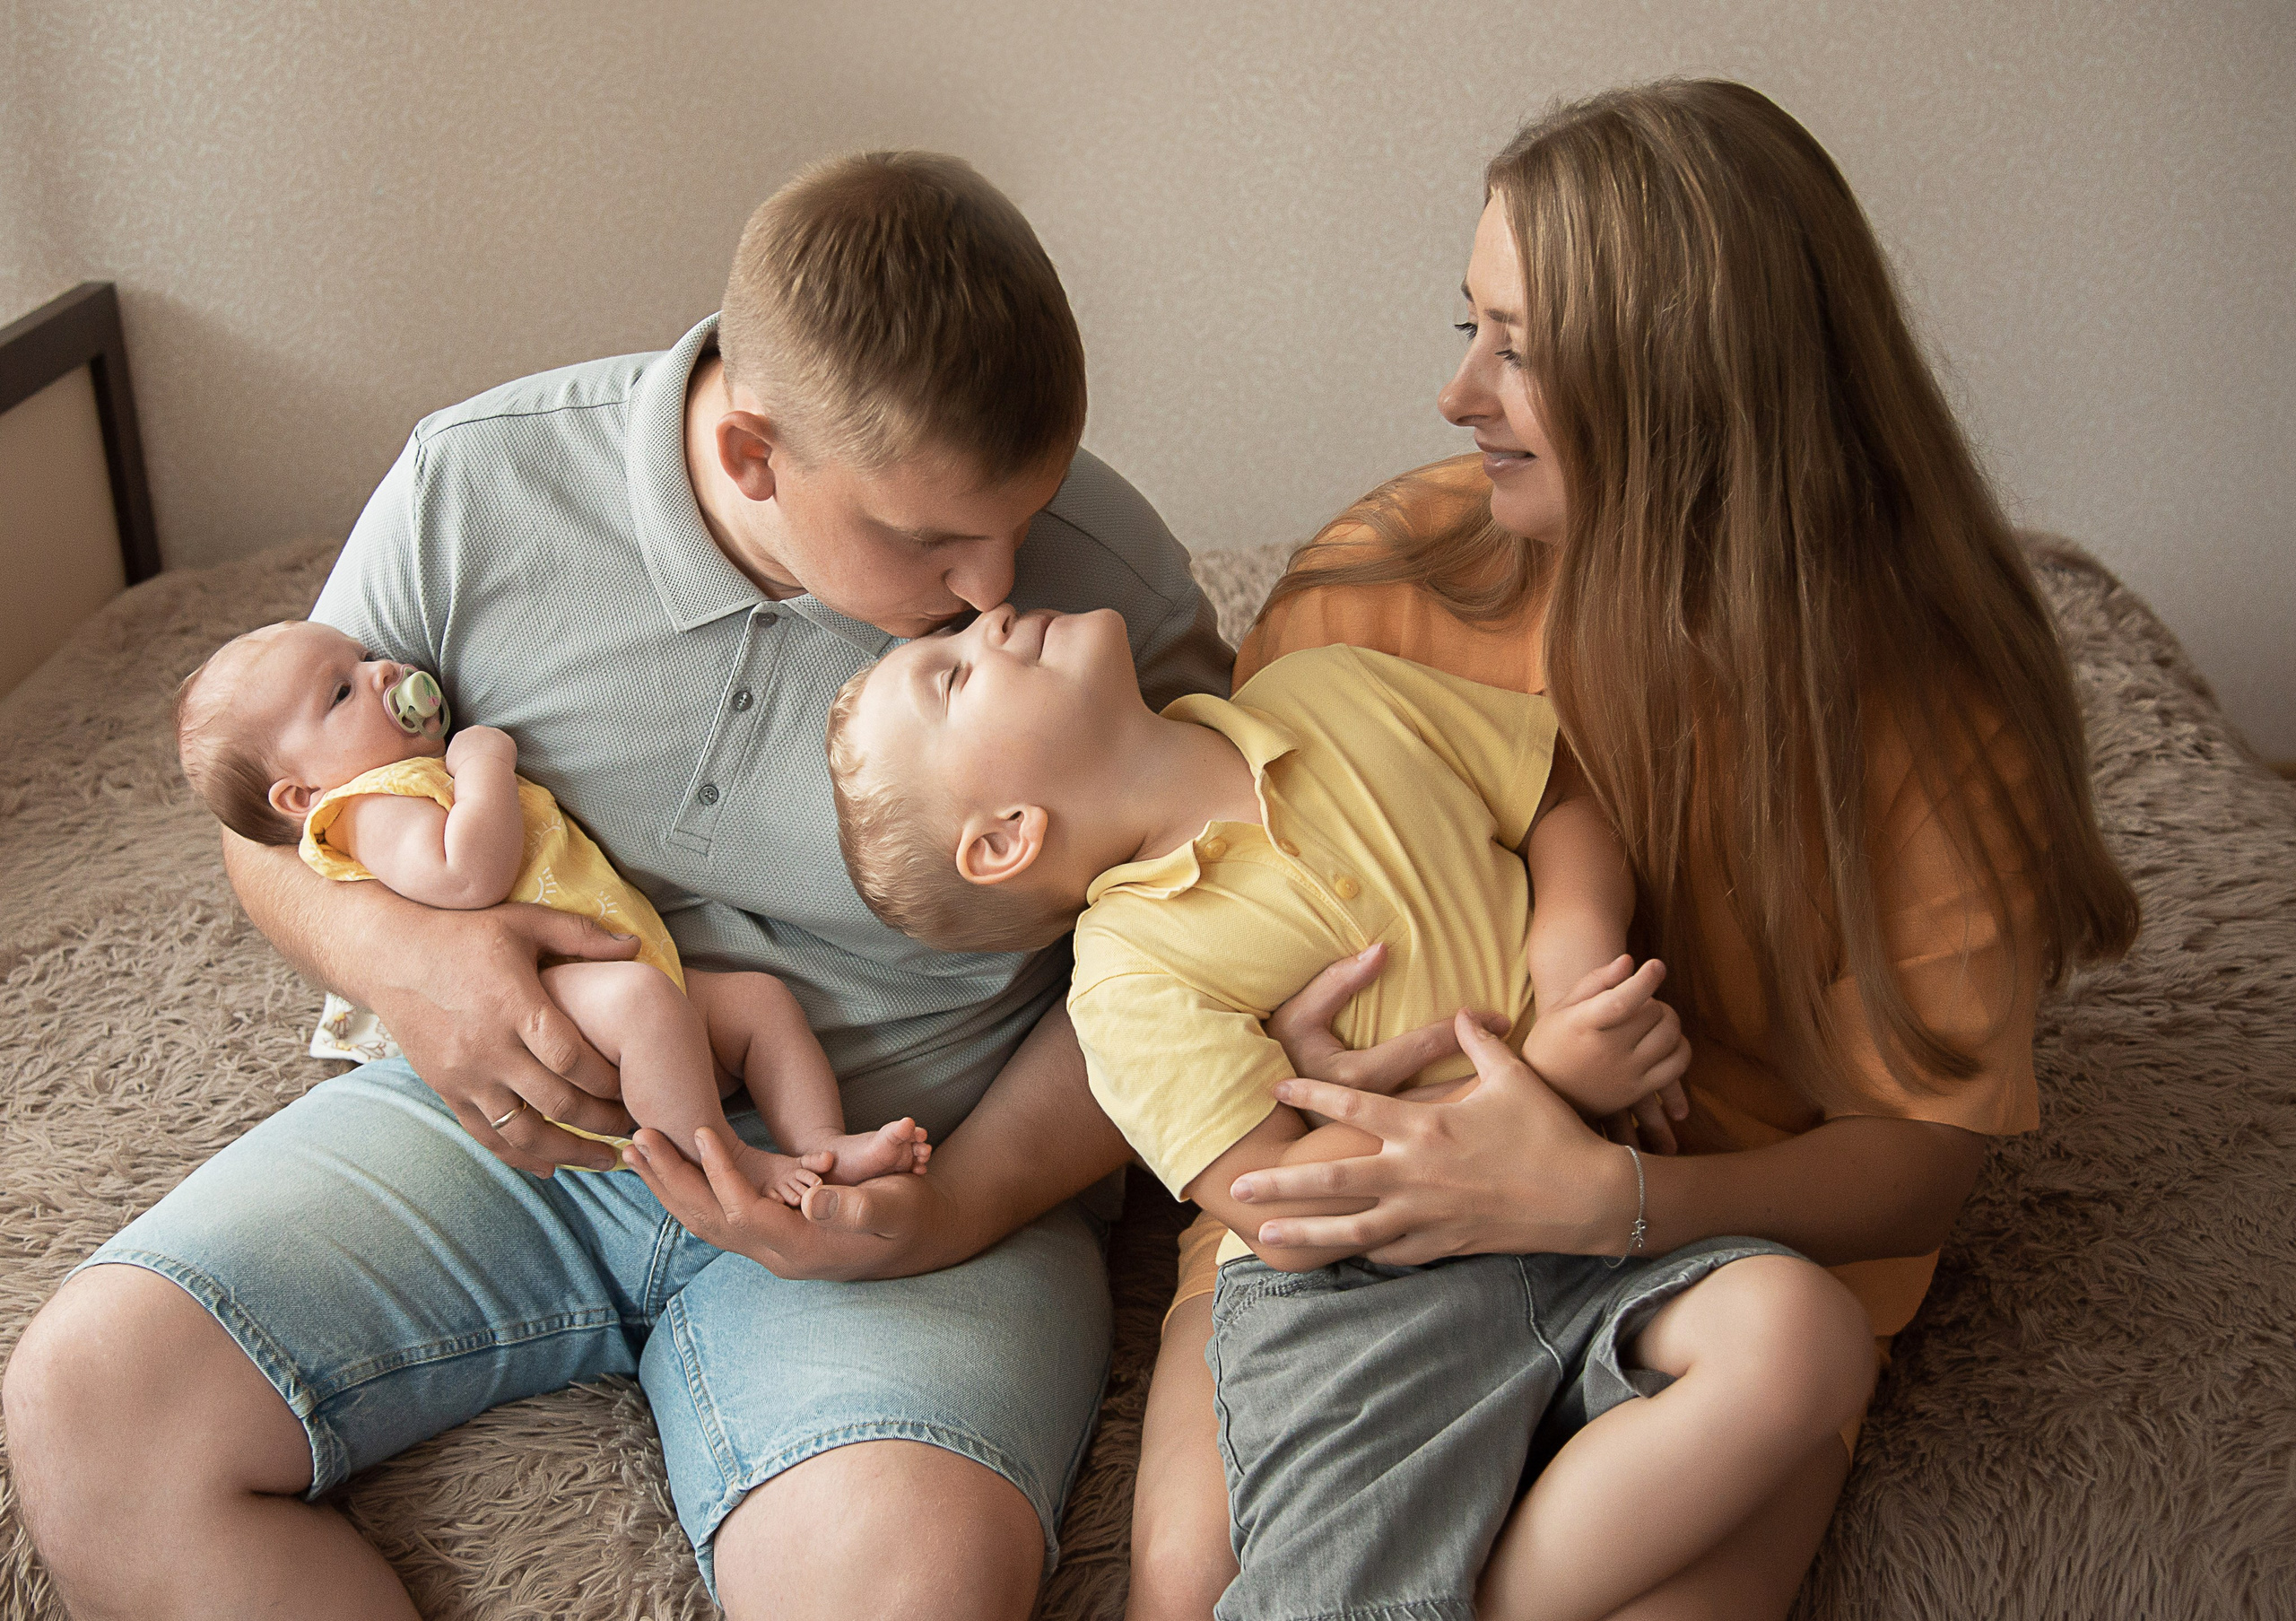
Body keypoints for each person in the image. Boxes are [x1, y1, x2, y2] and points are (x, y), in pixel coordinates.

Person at [4, 152, 1233, 1620]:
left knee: (908, 1587)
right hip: (500, 1124)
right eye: (927, 536)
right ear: (755, 449)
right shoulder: (476, 481)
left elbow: (1205, 959)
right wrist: (403, 966)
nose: (992, 585)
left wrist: (949, 1207)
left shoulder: (1110, 595)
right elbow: (275, 822)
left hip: (904, 1158)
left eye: (1020, 512)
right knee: (90, 1405)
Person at [1128, 81, 2140, 1621]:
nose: (1460, 391)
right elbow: (1199, 933)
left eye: (1520, 349)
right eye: (1468, 323)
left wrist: (1602, 1203)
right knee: (1195, 1574)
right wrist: (1293, 1052)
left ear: (1694, 390)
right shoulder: (1373, 589)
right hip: (1378, 1212)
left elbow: (1913, 1177)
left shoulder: (1930, 721)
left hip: (1712, 1235)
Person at [824, 602, 1874, 1620]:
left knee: (1807, 1333)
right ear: (1006, 838)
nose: (989, 616)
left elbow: (1559, 793)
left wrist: (1571, 960)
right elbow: (1279, 1203)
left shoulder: (1332, 690)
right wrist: (1543, 1078)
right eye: (954, 673)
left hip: (1593, 1233)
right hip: (1357, 1310)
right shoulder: (1125, 979)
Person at [175, 618, 932, 1200]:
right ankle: (718, 1164)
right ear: (300, 796)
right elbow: (465, 874)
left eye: (365, 655)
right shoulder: (367, 807)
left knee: (760, 1003)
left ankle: (822, 1142)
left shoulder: (404, 773)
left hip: (600, 966)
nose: (382, 674)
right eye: (340, 692)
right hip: (540, 994)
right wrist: (483, 762)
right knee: (643, 1004)